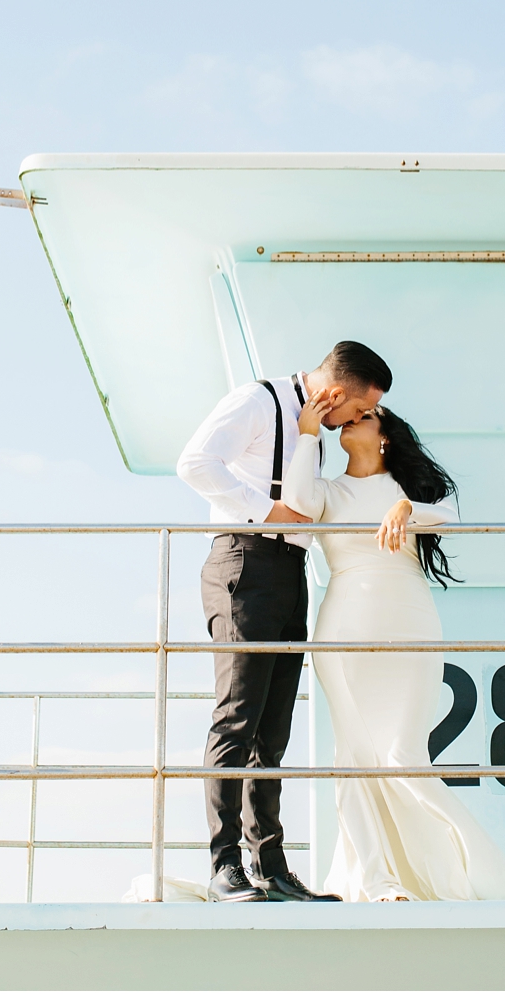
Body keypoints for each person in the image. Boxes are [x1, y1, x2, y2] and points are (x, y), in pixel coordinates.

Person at [284, 399, 505, 902]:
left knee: (401, 754)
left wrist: (405, 508)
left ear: (385, 437)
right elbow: (296, 499)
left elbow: (450, 515)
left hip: (408, 618)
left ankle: (463, 870)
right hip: (344, 623)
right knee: (352, 756)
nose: (351, 420)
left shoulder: (405, 492)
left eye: (365, 417)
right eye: (348, 418)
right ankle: (378, 880)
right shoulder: (329, 492)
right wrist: (308, 434)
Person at [175, 340, 392, 903]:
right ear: (337, 393)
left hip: (291, 567)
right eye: (359, 409)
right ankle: (225, 865)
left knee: (273, 730)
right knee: (238, 716)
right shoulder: (257, 400)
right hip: (244, 559)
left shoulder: (312, 428)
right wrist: (264, 509)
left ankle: (268, 863)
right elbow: (194, 462)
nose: (358, 421)